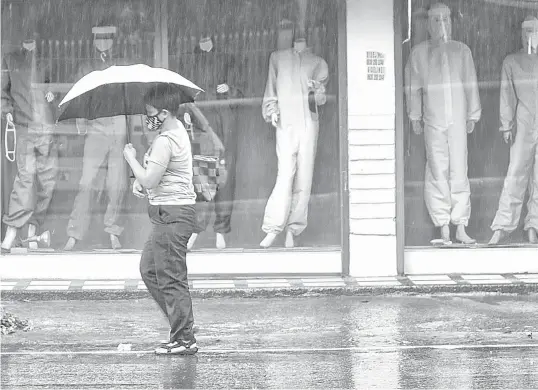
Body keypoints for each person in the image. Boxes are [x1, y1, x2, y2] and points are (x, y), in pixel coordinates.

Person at [123, 84, 198, 355]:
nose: (148, 117)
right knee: (151, 270)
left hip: (173, 216)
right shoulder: (172, 133)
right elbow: (154, 179)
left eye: (150, 113)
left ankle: (184, 339)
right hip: (168, 214)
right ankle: (182, 324)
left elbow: (150, 178)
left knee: (170, 277)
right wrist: (141, 183)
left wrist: (131, 160)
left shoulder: (167, 139)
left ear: (164, 113)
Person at [404, 3, 481, 244]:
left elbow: (470, 84)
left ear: (452, 22)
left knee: (459, 167)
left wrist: (472, 114)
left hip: (457, 119)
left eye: (445, 20)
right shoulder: (419, 53)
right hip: (433, 120)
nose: (441, 25)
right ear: (428, 25)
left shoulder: (461, 51)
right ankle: (443, 226)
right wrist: (415, 116)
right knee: (437, 169)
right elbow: (412, 88)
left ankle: (460, 225)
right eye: (436, 20)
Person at [63, 21, 131, 251]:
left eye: (107, 38)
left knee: (118, 182)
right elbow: (78, 95)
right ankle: (75, 231)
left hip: (118, 121)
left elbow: (130, 94)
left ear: (113, 40)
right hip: (96, 123)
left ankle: (114, 231)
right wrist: (81, 121)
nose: (103, 42)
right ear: (93, 41)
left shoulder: (121, 64)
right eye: (99, 38)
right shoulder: (86, 66)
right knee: (87, 181)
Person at [1, 30, 58, 252]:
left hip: (46, 128)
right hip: (24, 127)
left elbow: (53, 88)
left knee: (48, 181)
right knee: (25, 180)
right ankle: (12, 231)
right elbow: (2, 93)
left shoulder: (46, 61)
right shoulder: (11, 60)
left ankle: (33, 231)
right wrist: (6, 111)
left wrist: (52, 95)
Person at [489, 16, 538, 245]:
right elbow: (506, 95)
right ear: (520, 33)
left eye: (535, 30)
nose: (531, 35)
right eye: (527, 31)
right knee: (516, 173)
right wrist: (506, 124)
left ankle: (533, 226)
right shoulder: (512, 61)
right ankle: (503, 225)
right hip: (524, 122)